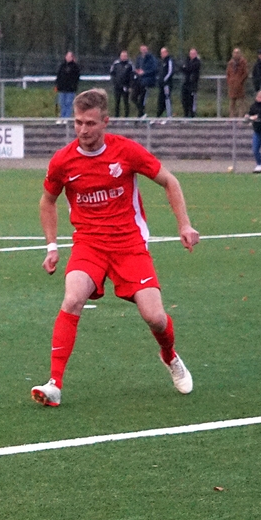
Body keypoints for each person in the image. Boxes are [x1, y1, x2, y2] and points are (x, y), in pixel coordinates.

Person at [31, 88, 199, 407]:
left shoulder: (126, 151)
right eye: (78, 122)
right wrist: (51, 245)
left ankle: (170, 356)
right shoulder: (63, 160)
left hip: (129, 245)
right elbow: (47, 201)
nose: (83, 130)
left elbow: (169, 181)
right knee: (72, 299)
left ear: (105, 122)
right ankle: (54, 384)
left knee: (155, 317)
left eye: (90, 123)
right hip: (89, 245)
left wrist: (185, 225)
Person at [54, 51, 81, 120]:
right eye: (67, 56)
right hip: (62, 89)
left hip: (70, 90)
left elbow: (76, 78)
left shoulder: (75, 67)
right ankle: (62, 117)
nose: (68, 58)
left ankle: (67, 118)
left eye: (69, 56)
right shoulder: (62, 66)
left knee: (68, 104)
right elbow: (58, 76)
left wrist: (73, 86)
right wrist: (57, 85)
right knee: (62, 103)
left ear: (72, 57)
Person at [133, 45, 157, 118]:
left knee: (142, 99)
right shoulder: (139, 58)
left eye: (145, 49)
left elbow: (154, 69)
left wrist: (144, 73)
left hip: (147, 81)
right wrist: (137, 71)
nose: (143, 51)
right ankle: (142, 113)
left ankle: (140, 115)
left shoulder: (151, 58)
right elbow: (136, 67)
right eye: (142, 49)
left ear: (147, 49)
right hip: (139, 80)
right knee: (133, 97)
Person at [109, 50, 134, 117]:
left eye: (125, 56)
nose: (123, 57)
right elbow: (112, 73)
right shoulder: (116, 64)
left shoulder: (130, 65)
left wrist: (130, 86)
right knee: (117, 102)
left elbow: (132, 76)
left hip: (126, 86)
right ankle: (116, 116)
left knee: (126, 102)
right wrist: (114, 82)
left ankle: (126, 117)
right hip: (117, 86)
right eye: (122, 56)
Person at [226, 48, 249, 117]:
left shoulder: (243, 62)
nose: (235, 54)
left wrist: (240, 81)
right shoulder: (230, 63)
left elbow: (245, 73)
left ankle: (240, 118)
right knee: (232, 103)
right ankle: (231, 117)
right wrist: (229, 81)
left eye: (237, 53)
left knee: (241, 102)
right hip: (232, 85)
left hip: (239, 86)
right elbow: (228, 73)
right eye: (234, 53)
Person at [180, 48, 201, 118]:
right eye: (191, 53)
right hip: (186, 83)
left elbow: (190, 68)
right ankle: (185, 115)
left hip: (192, 84)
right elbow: (182, 67)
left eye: (193, 54)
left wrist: (186, 68)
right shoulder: (186, 60)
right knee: (184, 100)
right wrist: (185, 68)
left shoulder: (197, 62)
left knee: (192, 100)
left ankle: (192, 116)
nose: (192, 55)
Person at [156, 47, 174, 119]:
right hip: (161, 84)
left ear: (166, 53)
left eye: (163, 52)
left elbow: (170, 72)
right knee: (160, 99)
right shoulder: (161, 62)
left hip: (167, 84)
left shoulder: (169, 61)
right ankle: (159, 115)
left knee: (167, 98)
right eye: (161, 53)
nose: (162, 54)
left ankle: (169, 115)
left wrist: (164, 80)